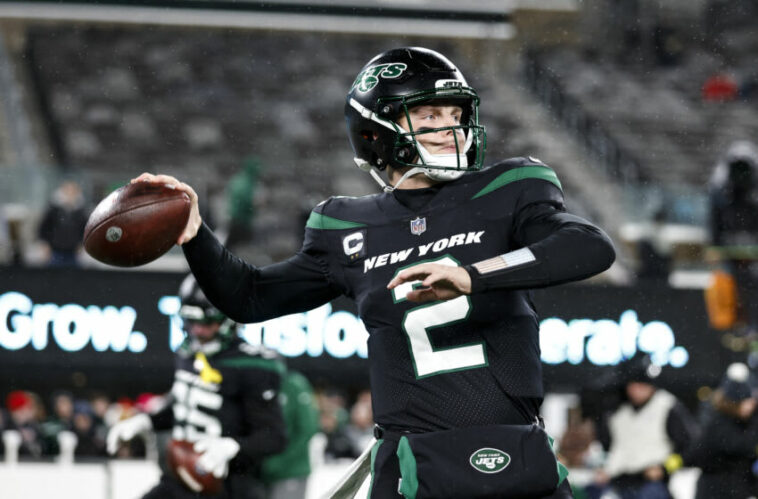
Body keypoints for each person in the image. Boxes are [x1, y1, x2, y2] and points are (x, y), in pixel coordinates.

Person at [133, 46, 615, 498]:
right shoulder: (346, 225)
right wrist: (195, 235)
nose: (451, 129)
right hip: (411, 462)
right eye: (429, 115)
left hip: (514, 454)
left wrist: (475, 274)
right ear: (377, 130)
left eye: (455, 115)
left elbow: (588, 246)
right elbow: (250, 297)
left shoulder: (508, 188)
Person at [106, 275, 287, 499]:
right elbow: (186, 404)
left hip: (228, 487)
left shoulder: (252, 365)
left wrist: (233, 446)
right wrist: (146, 420)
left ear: (228, 319)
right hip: (178, 480)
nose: (197, 331)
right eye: (191, 322)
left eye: (206, 323)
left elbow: (274, 438)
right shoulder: (187, 352)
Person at [592, 355, 699, 499]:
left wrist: (665, 468)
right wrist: (606, 469)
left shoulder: (668, 406)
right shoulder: (617, 410)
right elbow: (611, 446)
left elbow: (690, 447)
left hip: (652, 484)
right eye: (634, 385)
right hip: (618, 481)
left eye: (642, 385)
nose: (637, 390)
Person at [684, 362, 758, 499]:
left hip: (737, 486)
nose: (750, 406)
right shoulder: (718, 423)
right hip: (716, 487)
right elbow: (739, 445)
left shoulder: (748, 420)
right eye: (746, 402)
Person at [708, 140, 758, 334]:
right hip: (730, 252)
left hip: (751, 250)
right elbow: (715, 221)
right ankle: (738, 323)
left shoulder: (753, 189)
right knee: (732, 287)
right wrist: (715, 246)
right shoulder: (720, 187)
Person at [260, 369, 320, 499]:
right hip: (262, 473)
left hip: (290, 471)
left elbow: (307, 428)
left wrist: (280, 462)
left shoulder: (293, 384)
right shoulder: (257, 383)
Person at [37, 179, 89, 267]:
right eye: (67, 191)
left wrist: (81, 244)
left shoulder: (80, 212)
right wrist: (45, 244)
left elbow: (84, 229)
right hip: (55, 251)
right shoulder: (54, 210)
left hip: (73, 252)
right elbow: (44, 227)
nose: (70, 194)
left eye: (72, 192)